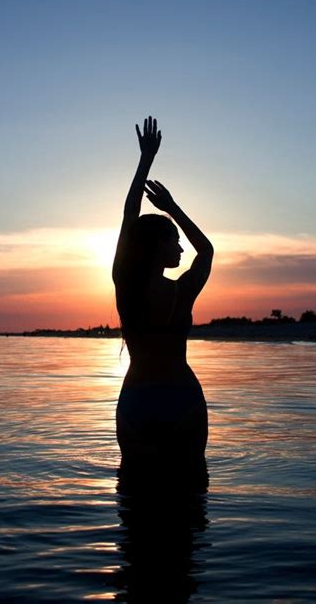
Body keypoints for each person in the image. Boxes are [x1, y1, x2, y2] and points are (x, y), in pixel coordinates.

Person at [112, 116, 214, 464]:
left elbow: (129, 217)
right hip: (181, 397)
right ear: (158, 248)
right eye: (175, 242)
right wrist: (172, 208)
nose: (182, 250)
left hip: (137, 400)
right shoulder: (182, 290)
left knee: (136, 501)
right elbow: (207, 251)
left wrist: (145, 161)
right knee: (191, 496)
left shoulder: (126, 286)